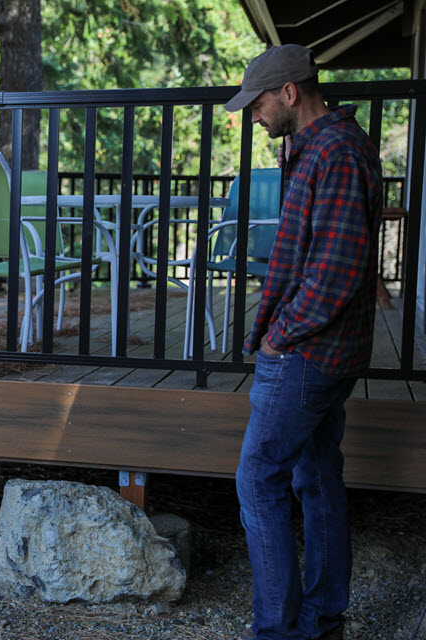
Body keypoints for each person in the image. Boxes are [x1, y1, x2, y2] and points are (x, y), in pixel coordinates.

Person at [224, 45, 382, 640]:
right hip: (329, 353)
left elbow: (335, 272)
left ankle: (280, 633)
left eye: (259, 103)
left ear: (290, 92)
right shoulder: (319, 148)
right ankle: (322, 622)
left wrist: (277, 340)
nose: (254, 116)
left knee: (257, 480)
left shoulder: (337, 152)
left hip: (308, 355)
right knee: (316, 482)